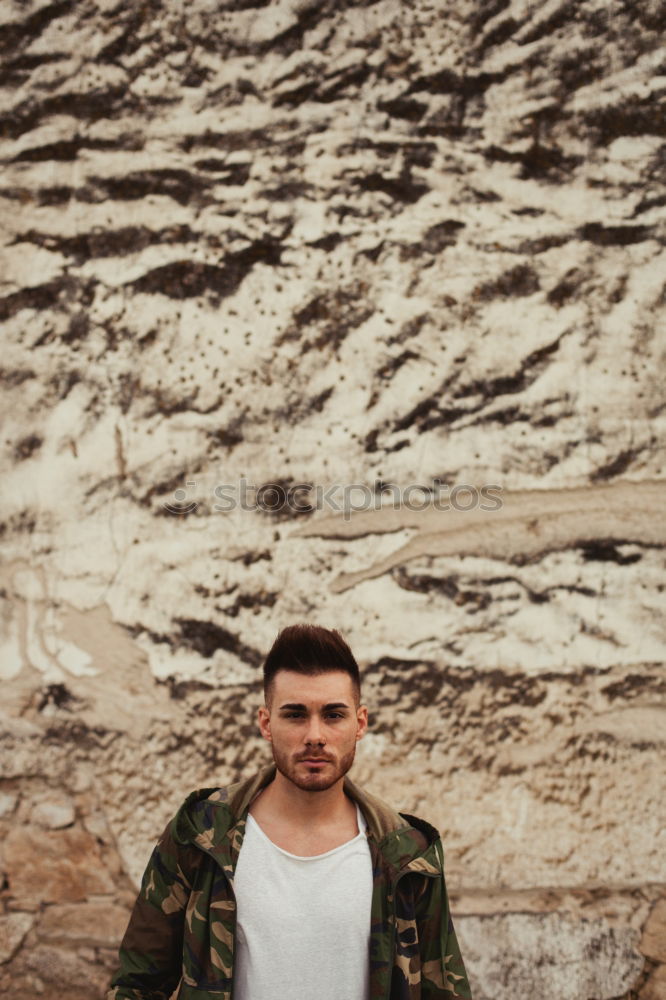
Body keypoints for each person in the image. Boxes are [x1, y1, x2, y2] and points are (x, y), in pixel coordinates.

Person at [107, 623, 472, 1000]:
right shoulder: (201, 835)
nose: (315, 735)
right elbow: (137, 985)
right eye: (295, 715)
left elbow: (444, 990)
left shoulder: (407, 854)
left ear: (359, 723)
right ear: (266, 723)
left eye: (333, 715)